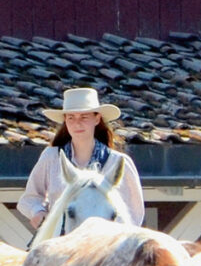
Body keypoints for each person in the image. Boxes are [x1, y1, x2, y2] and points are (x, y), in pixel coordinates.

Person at [15, 87, 146, 236]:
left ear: (97, 119)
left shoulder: (118, 162)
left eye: (84, 117)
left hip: (106, 244)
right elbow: (29, 199)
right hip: (58, 242)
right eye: (71, 117)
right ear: (65, 121)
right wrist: (37, 213)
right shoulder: (51, 157)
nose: (77, 123)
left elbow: (133, 215)